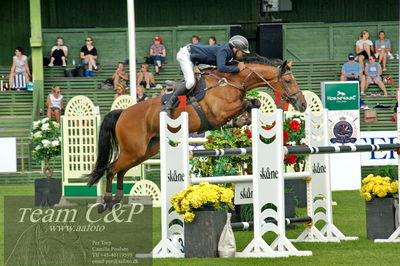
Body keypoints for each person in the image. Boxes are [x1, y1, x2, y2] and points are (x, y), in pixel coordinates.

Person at [161, 35, 250, 117]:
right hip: (186, 55)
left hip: (197, 59)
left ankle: (180, 83)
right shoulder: (224, 50)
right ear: (235, 48)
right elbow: (221, 68)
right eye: (243, 51)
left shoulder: (228, 52)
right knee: (191, 82)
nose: (244, 53)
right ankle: (169, 105)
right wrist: (238, 69)